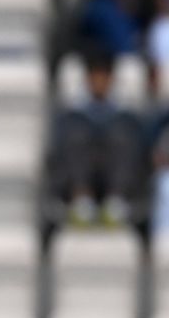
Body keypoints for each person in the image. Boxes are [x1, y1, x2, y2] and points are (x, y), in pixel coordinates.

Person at [50, 50, 147, 228]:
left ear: (111, 79)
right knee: (75, 135)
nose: (99, 83)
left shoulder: (124, 112)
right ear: (87, 79)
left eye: (104, 78)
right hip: (81, 174)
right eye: (95, 78)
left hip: (113, 173)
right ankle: (82, 200)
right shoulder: (72, 112)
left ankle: (115, 201)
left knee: (123, 136)